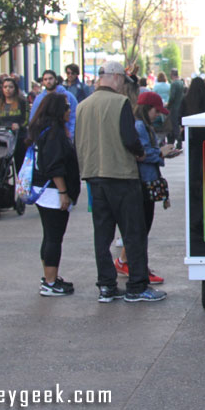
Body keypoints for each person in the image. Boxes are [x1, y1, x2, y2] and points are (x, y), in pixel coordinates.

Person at [75, 60, 166, 303]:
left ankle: (106, 286)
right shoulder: (120, 103)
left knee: (102, 234)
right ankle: (137, 286)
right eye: (122, 81)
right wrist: (140, 153)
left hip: (94, 175)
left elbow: (78, 140)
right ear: (115, 77)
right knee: (133, 232)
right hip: (121, 175)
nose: (123, 86)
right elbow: (129, 138)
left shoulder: (82, 105)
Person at [116, 91, 175, 286]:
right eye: (156, 111)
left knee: (140, 228)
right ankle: (138, 269)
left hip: (144, 180)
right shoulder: (140, 126)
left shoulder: (141, 125)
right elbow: (141, 153)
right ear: (147, 109)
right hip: (143, 181)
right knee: (141, 228)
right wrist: (160, 152)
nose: (158, 115)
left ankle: (127, 262)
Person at [28, 92, 81, 297]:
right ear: (58, 110)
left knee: (49, 236)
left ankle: (49, 277)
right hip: (52, 192)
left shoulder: (41, 129)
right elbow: (55, 165)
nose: (69, 111)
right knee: (53, 239)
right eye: (66, 107)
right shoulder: (55, 133)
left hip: (43, 191)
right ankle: (50, 282)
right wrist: (64, 192)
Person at [0, 75, 29, 171]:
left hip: (19, 137)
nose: (8, 89)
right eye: (5, 87)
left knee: (20, 164)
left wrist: (19, 125)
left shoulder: (22, 102)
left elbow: (27, 119)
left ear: (15, 88)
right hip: (4, 137)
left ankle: (20, 184)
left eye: (10, 87)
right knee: (2, 164)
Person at [30, 69, 79, 138]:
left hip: (65, 135)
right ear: (43, 82)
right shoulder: (39, 99)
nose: (48, 81)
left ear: (56, 80)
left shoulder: (68, 96)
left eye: (50, 78)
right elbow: (34, 118)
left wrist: (71, 133)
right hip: (45, 137)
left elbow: (74, 115)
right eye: (45, 79)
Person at [167, 68, 186, 148]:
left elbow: (172, 97)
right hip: (180, 106)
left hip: (174, 107)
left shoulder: (174, 84)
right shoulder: (181, 83)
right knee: (178, 124)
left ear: (172, 75)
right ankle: (178, 141)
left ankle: (178, 141)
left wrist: (168, 105)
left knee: (174, 125)